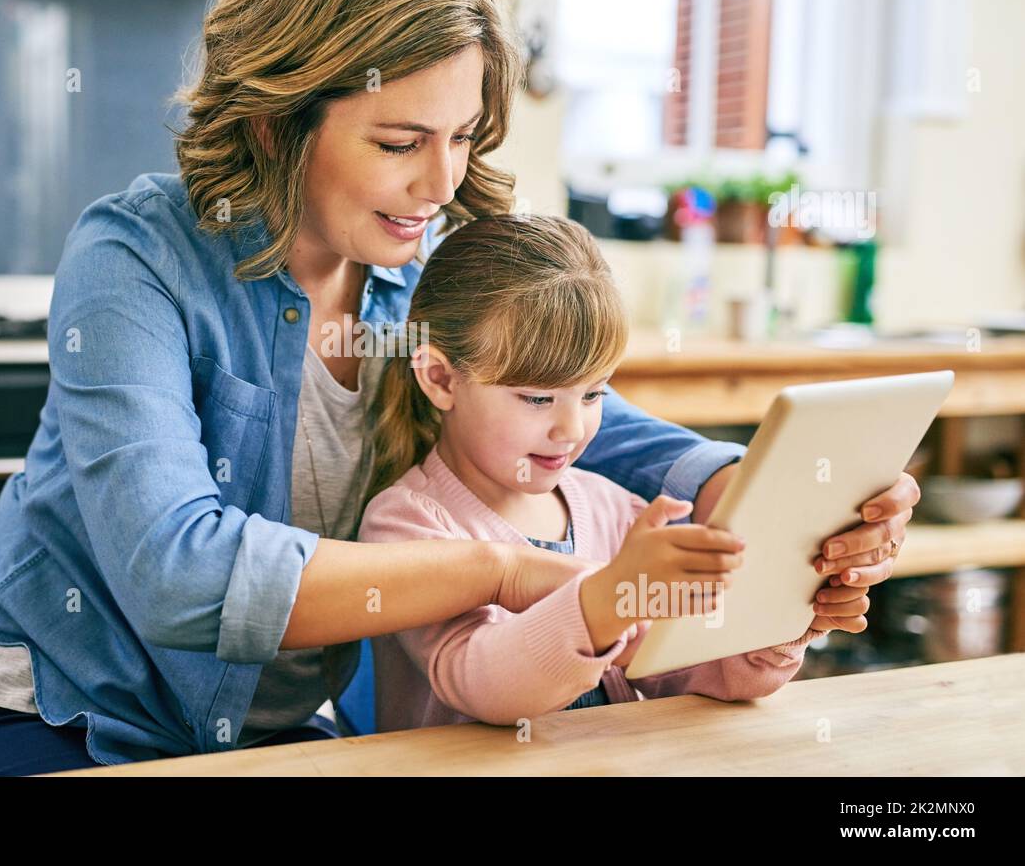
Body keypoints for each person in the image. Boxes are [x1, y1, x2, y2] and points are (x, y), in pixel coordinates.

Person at [0, 0, 918, 775]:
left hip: (262, 735)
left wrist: (770, 497)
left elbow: (575, 415)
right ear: (280, 120)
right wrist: (502, 570)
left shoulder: (418, 277)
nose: (442, 183)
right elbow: (176, 572)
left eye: (462, 138)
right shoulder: (138, 257)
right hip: (37, 704)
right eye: (400, 143)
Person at [359, 213, 842, 732]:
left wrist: (779, 618)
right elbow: (482, 682)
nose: (570, 428)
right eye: (538, 398)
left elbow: (681, 672)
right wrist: (609, 598)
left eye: (593, 394)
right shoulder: (406, 525)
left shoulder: (615, 509)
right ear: (440, 378)